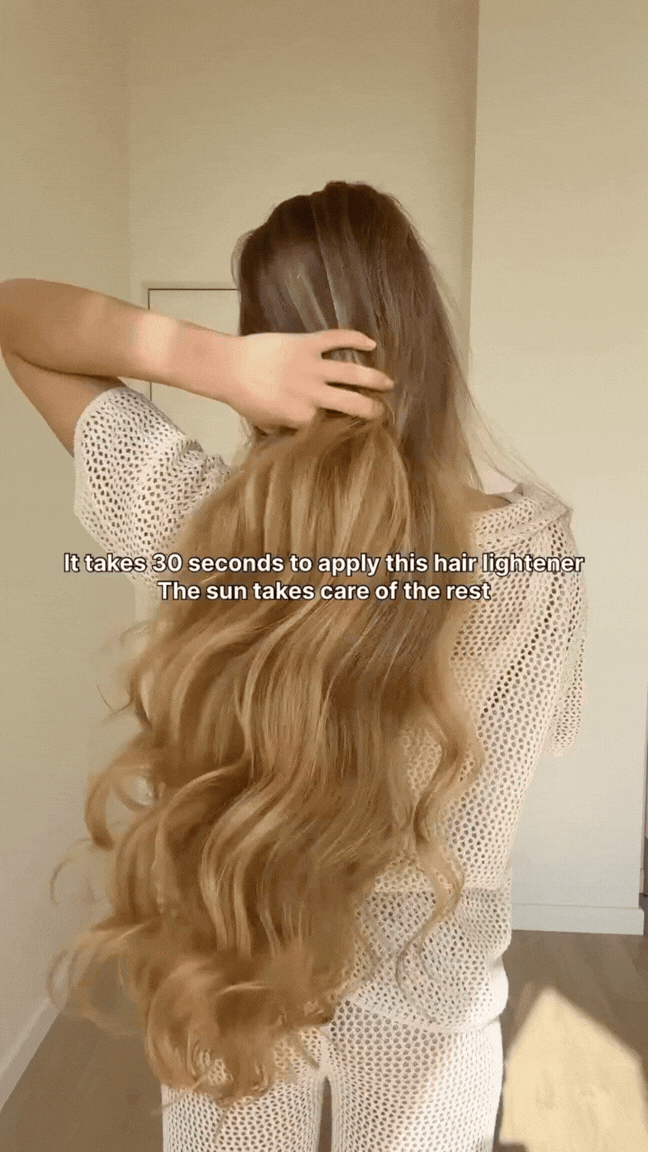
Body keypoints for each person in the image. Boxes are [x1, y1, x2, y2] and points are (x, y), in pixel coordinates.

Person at [0, 181, 587, 1152]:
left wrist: (210, 364)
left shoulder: (198, 522)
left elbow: (18, 318)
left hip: (237, 950)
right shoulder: (534, 551)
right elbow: (543, 738)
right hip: (434, 973)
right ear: (424, 338)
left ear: (267, 346)